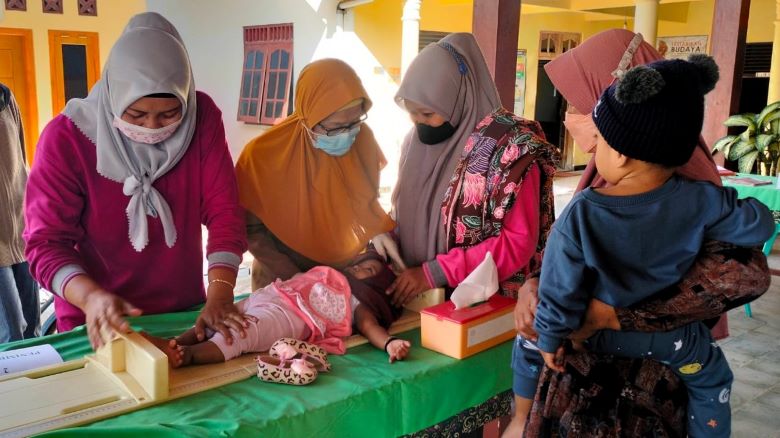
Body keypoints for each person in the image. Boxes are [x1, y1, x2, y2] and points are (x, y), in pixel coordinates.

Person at [513, 29, 772, 437]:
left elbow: (746, 275)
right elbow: (756, 220)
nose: (571, 117)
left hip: (637, 393)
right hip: (658, 353)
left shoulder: (590, 209)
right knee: (712, 378)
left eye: (579, 104)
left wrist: (597, 317)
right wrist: (532, 287)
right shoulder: (695, 196)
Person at [24, 13, 247, 349]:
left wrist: (221, 293)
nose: (153, 127)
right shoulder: (67, 139)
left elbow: (225, 214)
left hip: (183, 315)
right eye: (136, 115)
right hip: (97, 321)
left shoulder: (201, 118)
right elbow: (45, 243)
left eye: (170, 114)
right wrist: (91, 297)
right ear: (114, 96)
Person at [385, 32, 559, 307]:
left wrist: (436, 273)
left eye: (427, 113)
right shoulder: (415, 144)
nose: (419, 123)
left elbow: (518, 242)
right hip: (415, 301)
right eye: (412, 113)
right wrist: (386, 236)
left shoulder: (511, 151)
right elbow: (405, 210)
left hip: (480, 309)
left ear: (459, 97)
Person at [236, 59, 395, 292]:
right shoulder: (261, 155)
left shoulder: (363, 140)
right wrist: (295, 276)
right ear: (308, 116)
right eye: (336, 127)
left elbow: (363, 201)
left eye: (355, 122)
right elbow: (250, 229)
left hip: (338, 275)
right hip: (280, 280)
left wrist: (377, 229)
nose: (348, 134)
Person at [143, 252, 409, 367]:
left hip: (289, 318)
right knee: (220, 317)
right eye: (361, 263)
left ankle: (188, 356)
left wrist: (389, 343)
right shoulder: (331, 273)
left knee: (241, 332)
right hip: (271, 294)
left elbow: (369, 326)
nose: (358, 267)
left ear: (374, 290)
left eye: (368, 270)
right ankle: (175, 342)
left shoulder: (356, 302)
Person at [0, 83, 40, 343]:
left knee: (34, 330)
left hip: (22, 228)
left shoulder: (5, 96)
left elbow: (23, 160)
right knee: (11, 334)